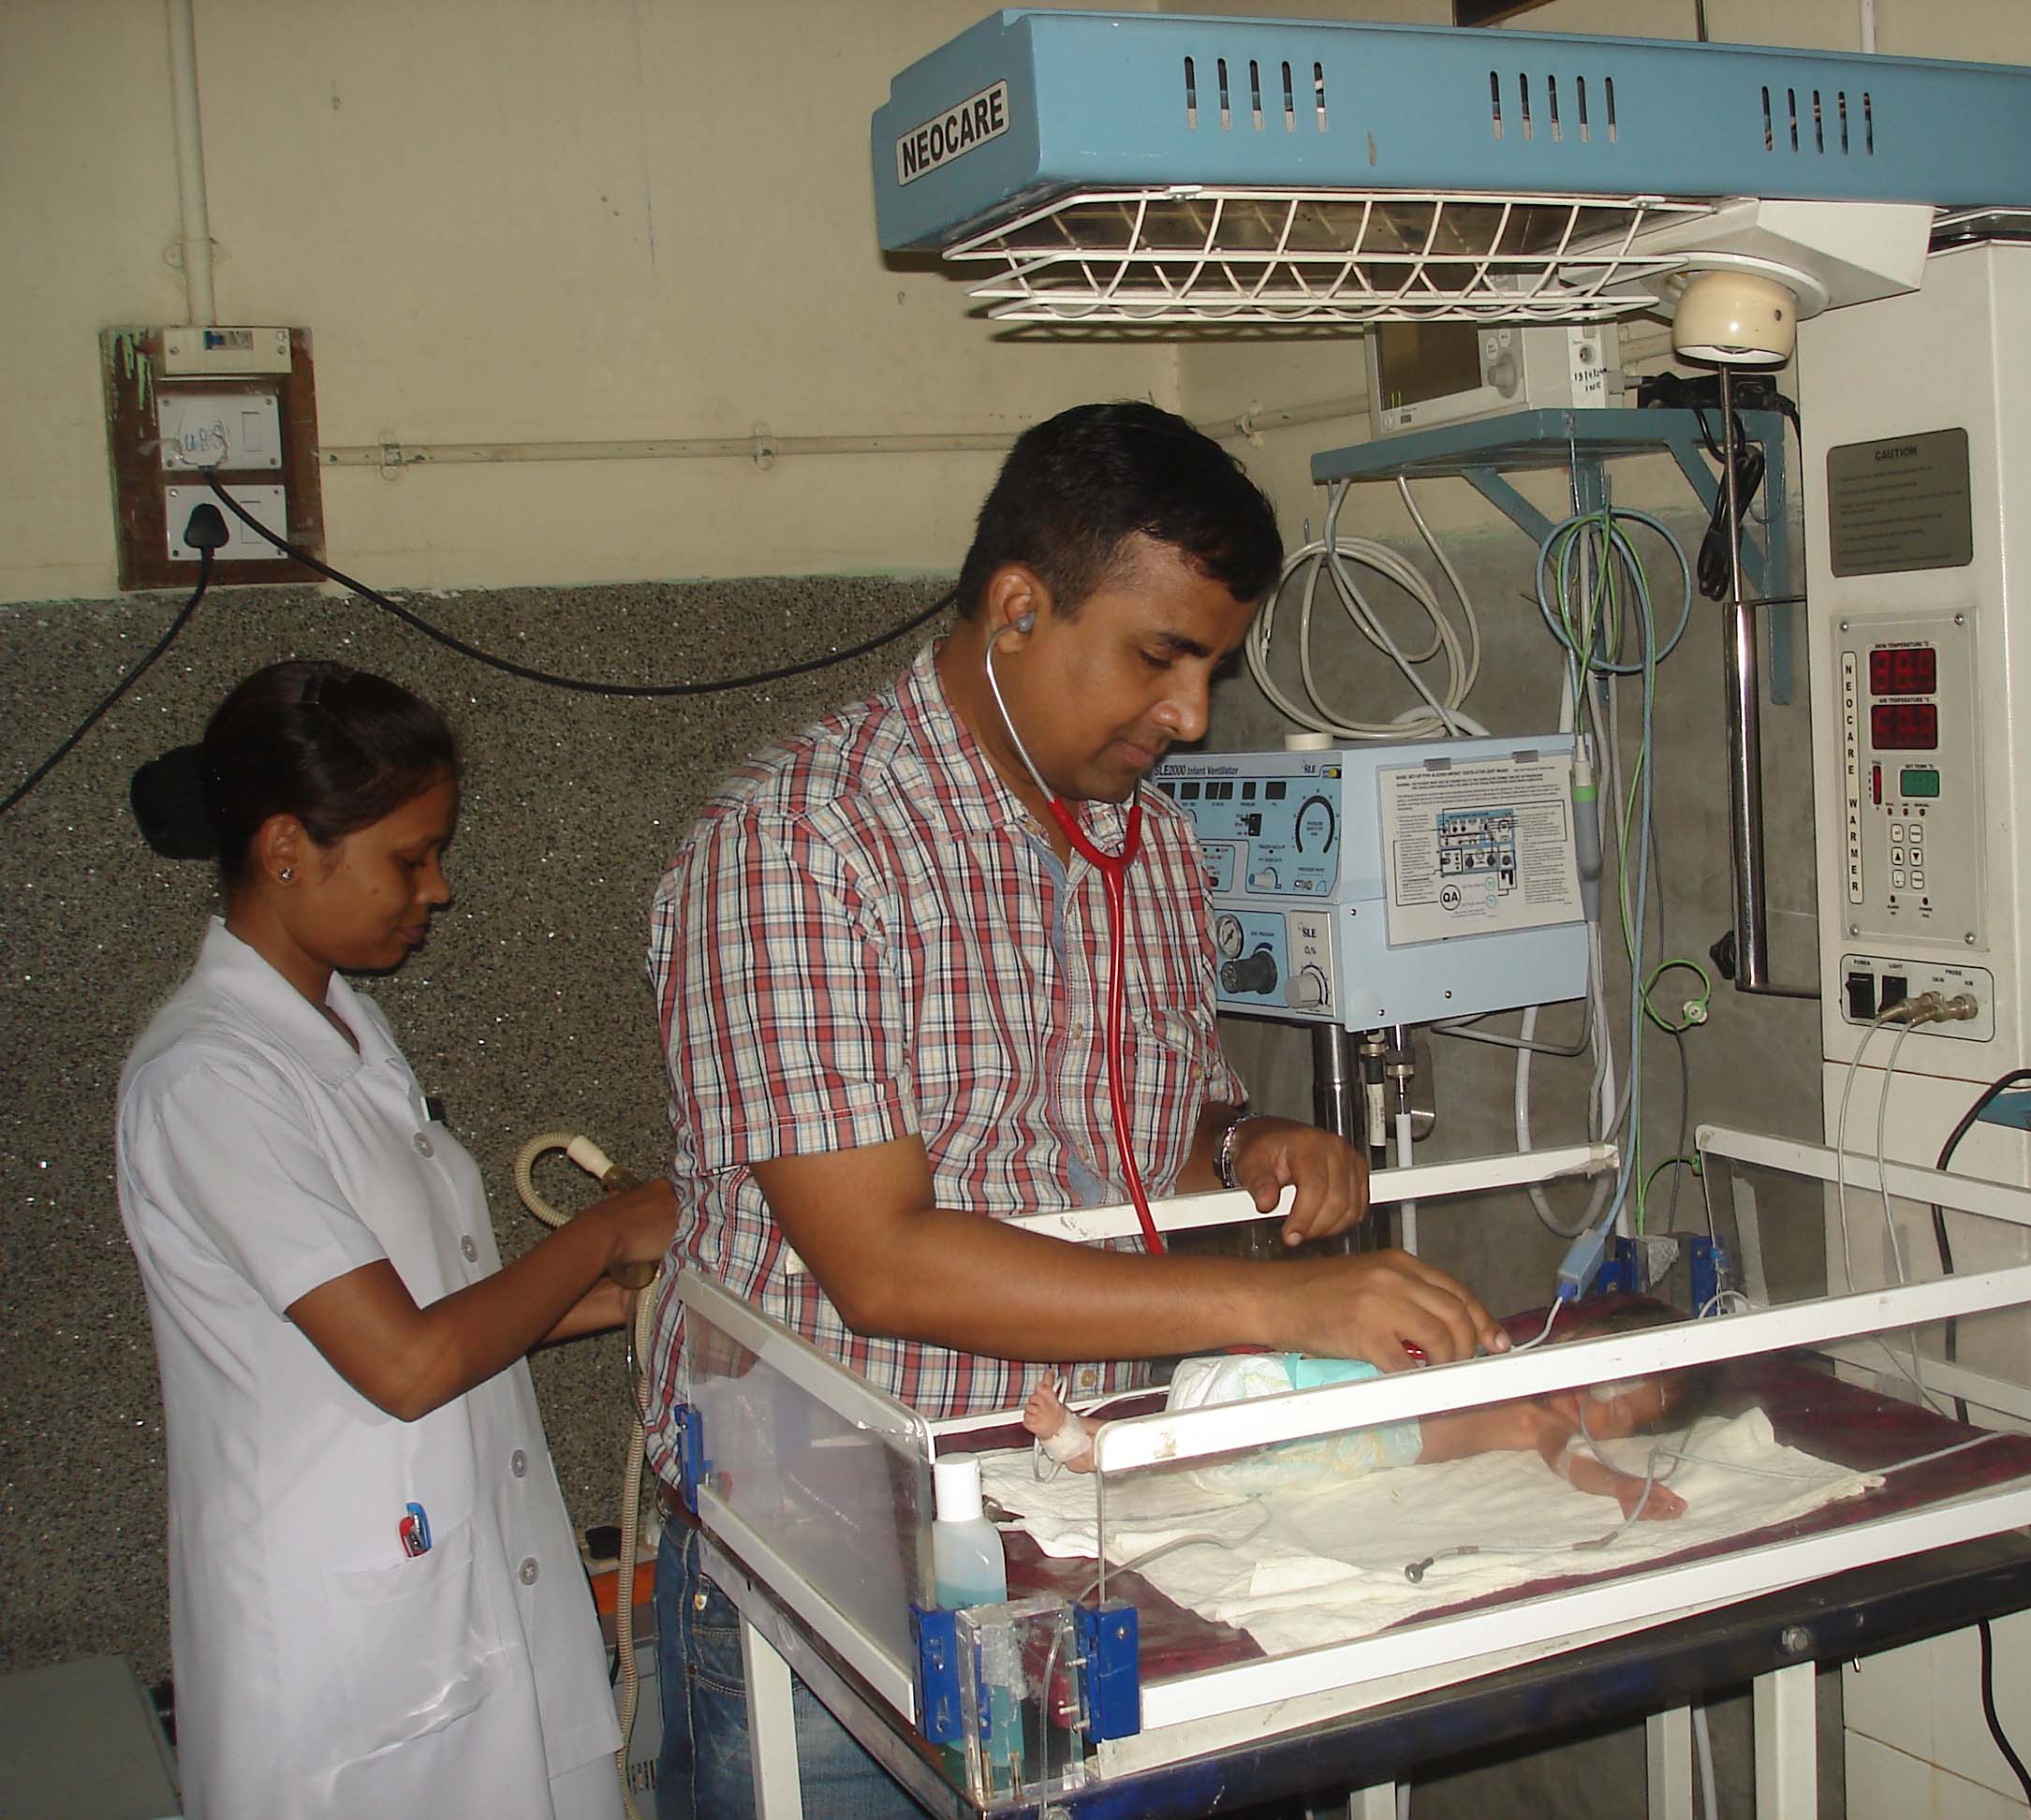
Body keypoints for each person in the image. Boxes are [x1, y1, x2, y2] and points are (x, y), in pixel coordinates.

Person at [644, 401, 1510, 1817]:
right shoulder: (800, 849)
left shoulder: (1145, 840)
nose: (1190, 716)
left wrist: (1243, 1142)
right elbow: (881, 1262)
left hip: (1089, 1518)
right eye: (1160, 657)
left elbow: (1153, 1117)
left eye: (1213, 668)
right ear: (1018, 609)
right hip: (836, 1555)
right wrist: (1286, 1304)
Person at [115, 660, 677, 1820]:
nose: (439, 889)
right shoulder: (210, 1079)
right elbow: (408, 1362)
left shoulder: (348, 1035)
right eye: (410, 859)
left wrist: (639, 1294)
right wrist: (608, 1229)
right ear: (287, 848)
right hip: (347, 1661)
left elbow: (445, 1316)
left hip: (478, 1597)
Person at [1022, 1300, 1712, 1514]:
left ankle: (1092, 1446)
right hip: (1338, 1389)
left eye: (1617, 1411)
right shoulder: (1495, 1350)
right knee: (1236, 1414)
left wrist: (1621, 1484)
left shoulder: (1542, 1423)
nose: (1594, 1395)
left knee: (1219, 1454)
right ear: (1572, 1338)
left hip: (1352, 1448)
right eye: (1604, 1371)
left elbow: (1573, 1460)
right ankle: (1089, 1443)